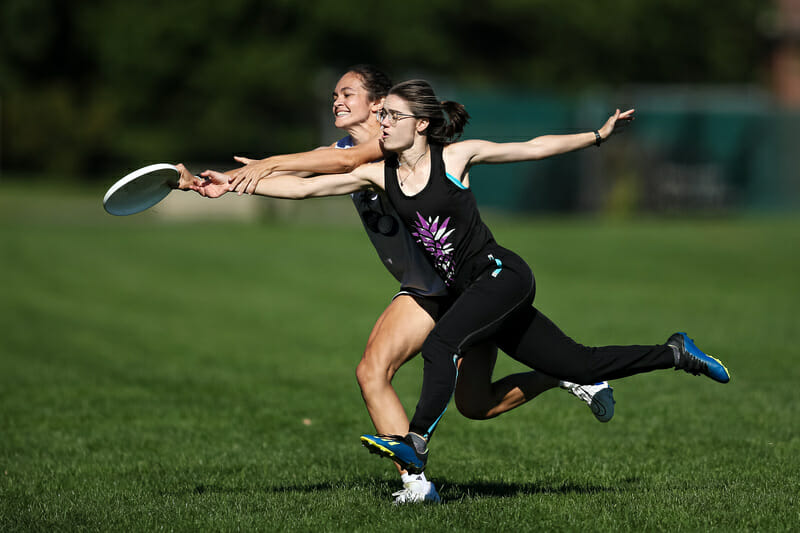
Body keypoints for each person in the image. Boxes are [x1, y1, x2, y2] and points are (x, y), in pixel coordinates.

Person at [177, 69, 617, 503]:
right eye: (333, 94)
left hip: (461, 286)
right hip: (424, 289)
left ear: (377, 104)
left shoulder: (389, 144)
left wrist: (266, 164)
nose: (336, 101)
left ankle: (564, 372)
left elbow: (346, 163)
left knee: (441, 391)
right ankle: (419, 481)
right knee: (459, 399)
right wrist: (225, 183)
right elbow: (301, 184)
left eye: (347, 93)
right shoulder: (344, 149)